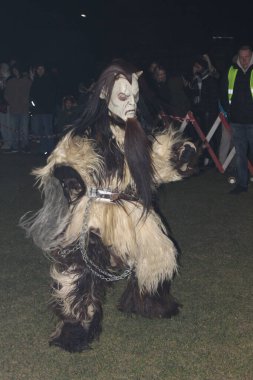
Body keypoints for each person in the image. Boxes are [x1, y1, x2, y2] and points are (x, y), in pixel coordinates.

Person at [20, 60, 196, 353]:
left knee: (159, 254)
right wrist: (70, 177)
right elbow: (65, 158)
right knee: (77, 267)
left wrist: (180, 156)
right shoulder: (86, 133)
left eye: (135, 97)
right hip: (95, 212)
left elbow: (160, 163)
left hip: (130, 210)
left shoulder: (140, 135)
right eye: (124, 97)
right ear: (104, 94)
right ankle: (78, 320)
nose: (131, 104)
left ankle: (145, 299)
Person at [220, 45, 253, 194]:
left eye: (247, 57)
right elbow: (223, 91)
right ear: (238, 57)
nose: (244, 60)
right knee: (240, 155)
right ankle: (242, 184)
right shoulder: (231, 71)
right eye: (242, 57)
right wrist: (229, 111)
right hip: (237, 122)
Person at [186, 56, 219, 167]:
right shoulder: (196, 80)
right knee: (201, 136)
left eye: (198, 66)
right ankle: (203, 157)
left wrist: (210, 111)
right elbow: (190, 93)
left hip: (209, 112)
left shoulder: (209, 79)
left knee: (210, 136)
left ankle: (211, 159)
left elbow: (213, 98)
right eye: (195, 66)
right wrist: (193, 75)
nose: (196, 68)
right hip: (199, 112)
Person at [30, 63, 57, 155]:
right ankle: (43, 149)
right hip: (37, 110)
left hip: (47, 110)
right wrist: (33, 105)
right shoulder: (35, 80)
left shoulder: (49, 80)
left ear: (44, 70)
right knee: (40, 130)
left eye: (42, 68)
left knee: (48, 130)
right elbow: (32, 95)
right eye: (38, 69)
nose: (40, 70)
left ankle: (50, 149)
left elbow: (53, 95)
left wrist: (50, 106)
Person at [4, 64, 32, 152]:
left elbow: (31, 92)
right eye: (13, 70)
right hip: (14, 108)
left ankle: (25, 145)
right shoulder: (10, 81)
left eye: (16, 69)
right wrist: (10, 102)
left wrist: (27, 101)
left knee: (24, 128)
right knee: (14, 128)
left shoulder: (26, 80)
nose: (15, 71)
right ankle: (15, 145)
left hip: (24, 108)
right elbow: (6, 94)